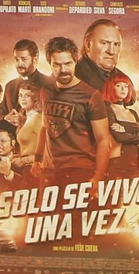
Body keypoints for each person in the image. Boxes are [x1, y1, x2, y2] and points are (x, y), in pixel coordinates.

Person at [35, 36, 114, 188]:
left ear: (76, 60)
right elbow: (45, 127)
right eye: (57, 65)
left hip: (80, 171)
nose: (63, 70)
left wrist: (98, 177)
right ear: (50, 64)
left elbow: (104, 140)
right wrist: (37, 159)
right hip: (49, 172)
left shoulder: (91, 95)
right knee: (44, 212)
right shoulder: (46, 91)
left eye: (68, 63)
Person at [74, 19, 128, 92]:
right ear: (88, 45)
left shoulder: (126, 80)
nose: (111, 51)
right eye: (104, 43)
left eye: (116, 44)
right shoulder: (74, 76)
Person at [2, 39, 52, 111]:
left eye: (24, 59)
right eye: (17, 59)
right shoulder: (10, 86)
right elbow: (1, 112)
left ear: (35, 59)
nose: (19, 64)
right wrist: (6, 117)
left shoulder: (48, 84)